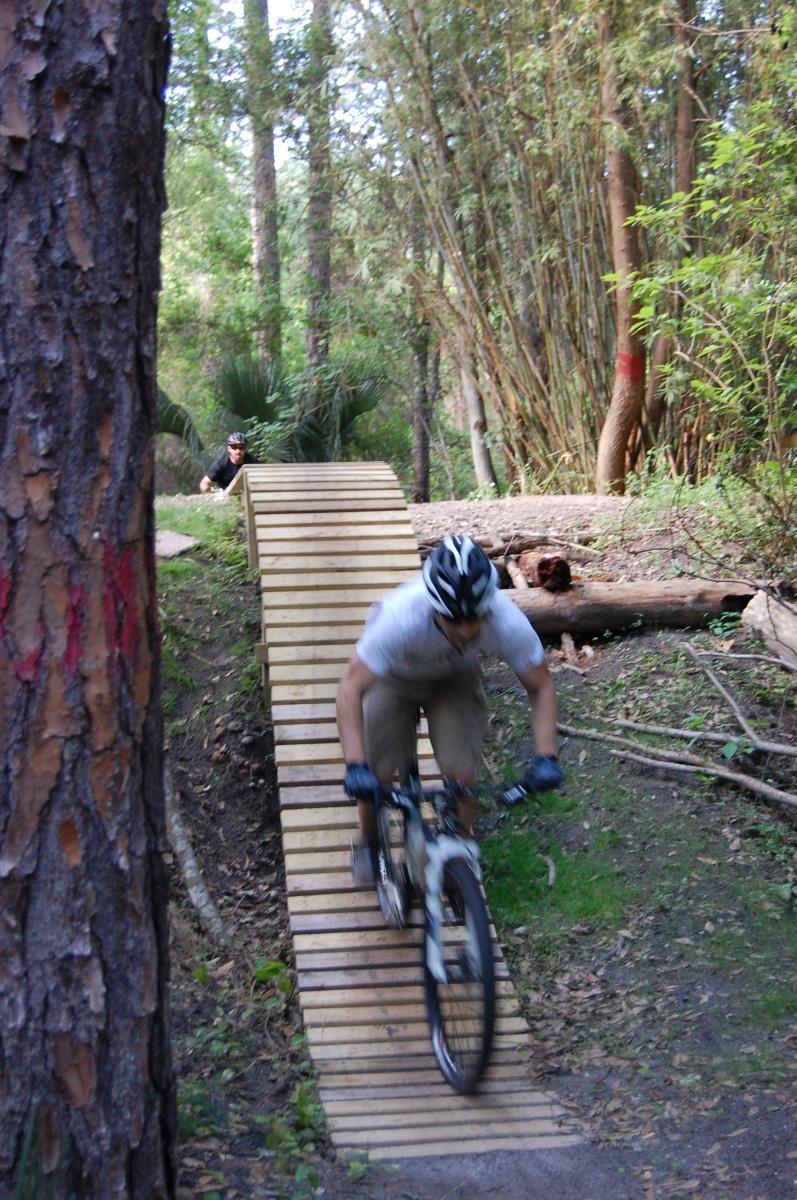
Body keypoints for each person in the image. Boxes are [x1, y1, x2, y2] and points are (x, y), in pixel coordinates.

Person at [336, 534, 563, 877]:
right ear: (434, 607)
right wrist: (356, 765)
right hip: (393, 679)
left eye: (474, 618)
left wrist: (546, 757)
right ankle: (369, 841)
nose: (465, 630)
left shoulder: (506, 620)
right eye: (452, 619)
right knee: (376, 777)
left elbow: (541, 686)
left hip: (454, 679)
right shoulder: (400, 617)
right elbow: (350, 690)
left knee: (462, 778)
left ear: (488, 605)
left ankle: (460, 850)